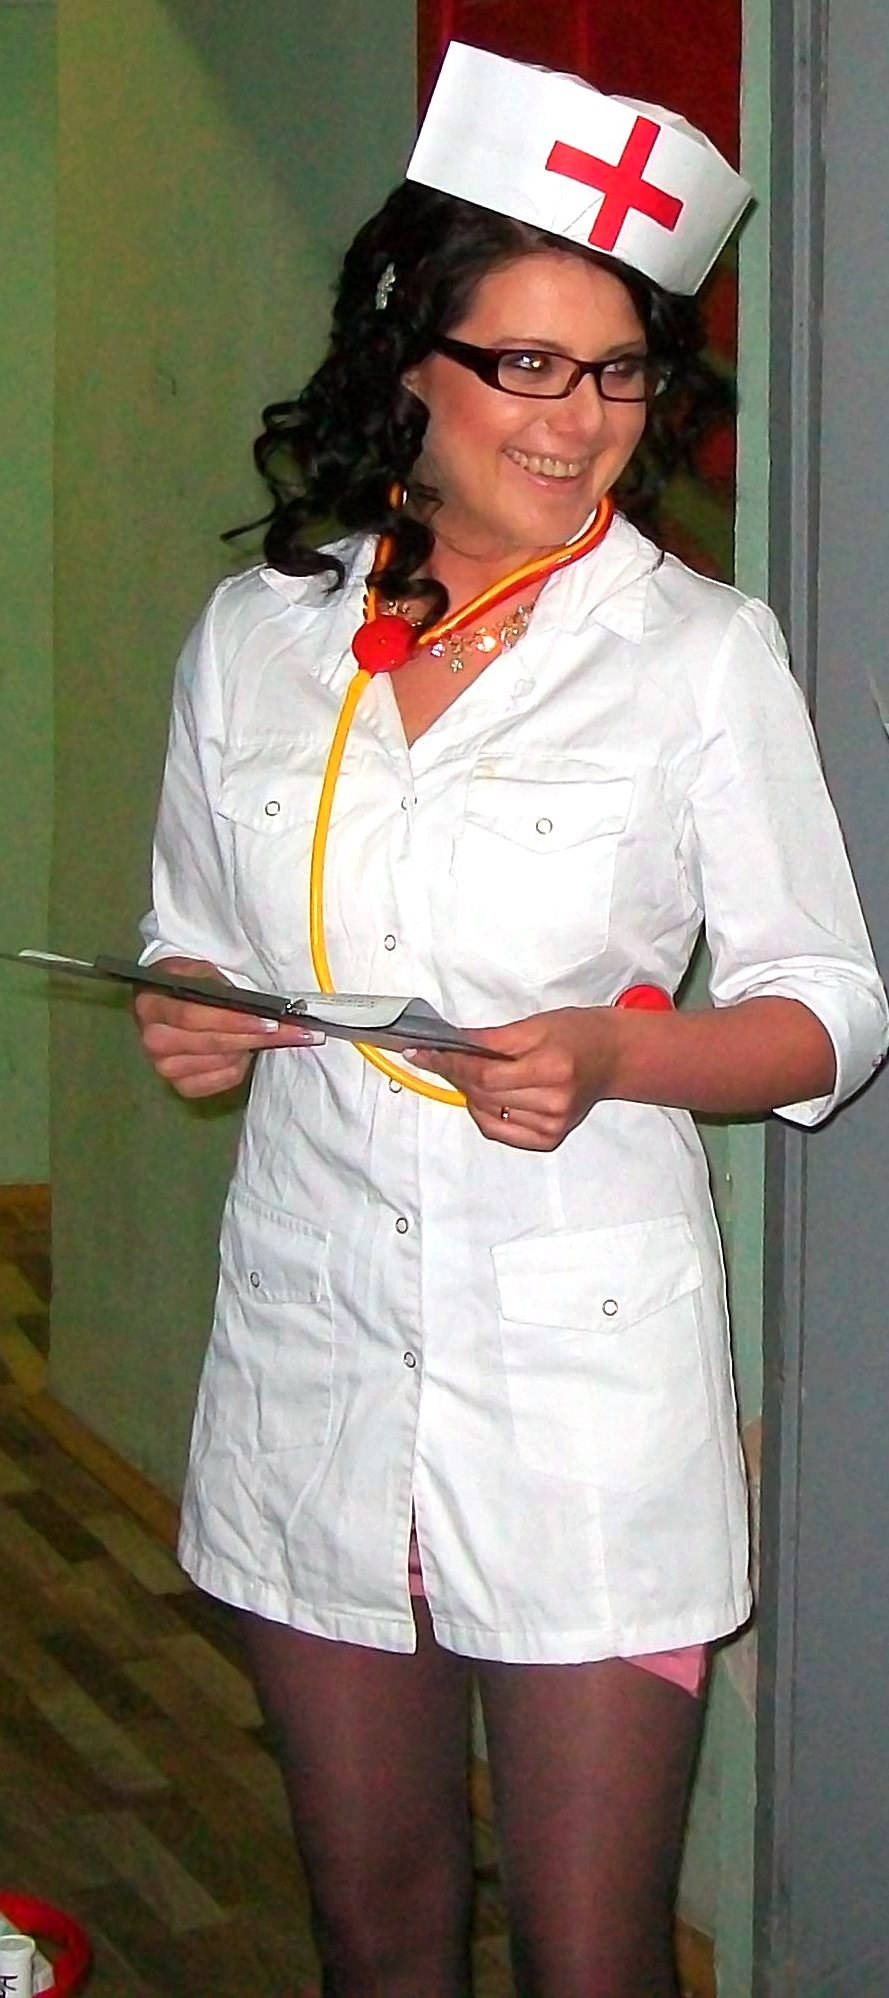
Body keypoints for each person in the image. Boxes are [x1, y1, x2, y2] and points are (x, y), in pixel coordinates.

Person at [134, 43, 888, 1998]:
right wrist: (194, 1012)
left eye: (618, 373)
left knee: (589, 1953)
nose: (579, 422)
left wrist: (623, 1054)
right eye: (526, 365)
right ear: (409, 360)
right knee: (376, 1938)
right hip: (310, 1363)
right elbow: (191, 937)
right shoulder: (259, 637)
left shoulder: (696, 654)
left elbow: (829, 1012)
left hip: (583, 1398)